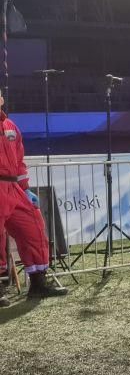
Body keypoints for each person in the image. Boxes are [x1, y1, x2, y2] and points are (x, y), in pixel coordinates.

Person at [0, 91, 66, 299]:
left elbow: (19, 161)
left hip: (14, 188)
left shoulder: (10, 126)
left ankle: (38, 283)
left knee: (33, 226)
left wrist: (25, 188)